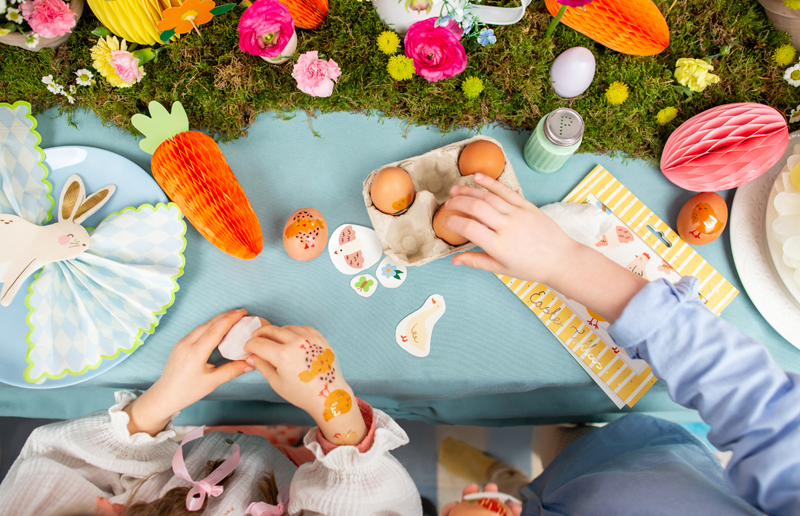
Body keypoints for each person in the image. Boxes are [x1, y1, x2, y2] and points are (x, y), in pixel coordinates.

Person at [434, 173, 800, 516]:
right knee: (558, 448)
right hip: (623, 459)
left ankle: (504, 478)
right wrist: (563, 262)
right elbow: (761, 405)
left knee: (532, 479)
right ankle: (512, 482)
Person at [0, 311, 422, 515]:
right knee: (288, 458)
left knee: (241, 441)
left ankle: (265, 442)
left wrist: (159, 402)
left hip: (191, 455)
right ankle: (288, 449)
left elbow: (59, 464)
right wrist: (332, 401)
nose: (99, 505)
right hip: (298, 487)